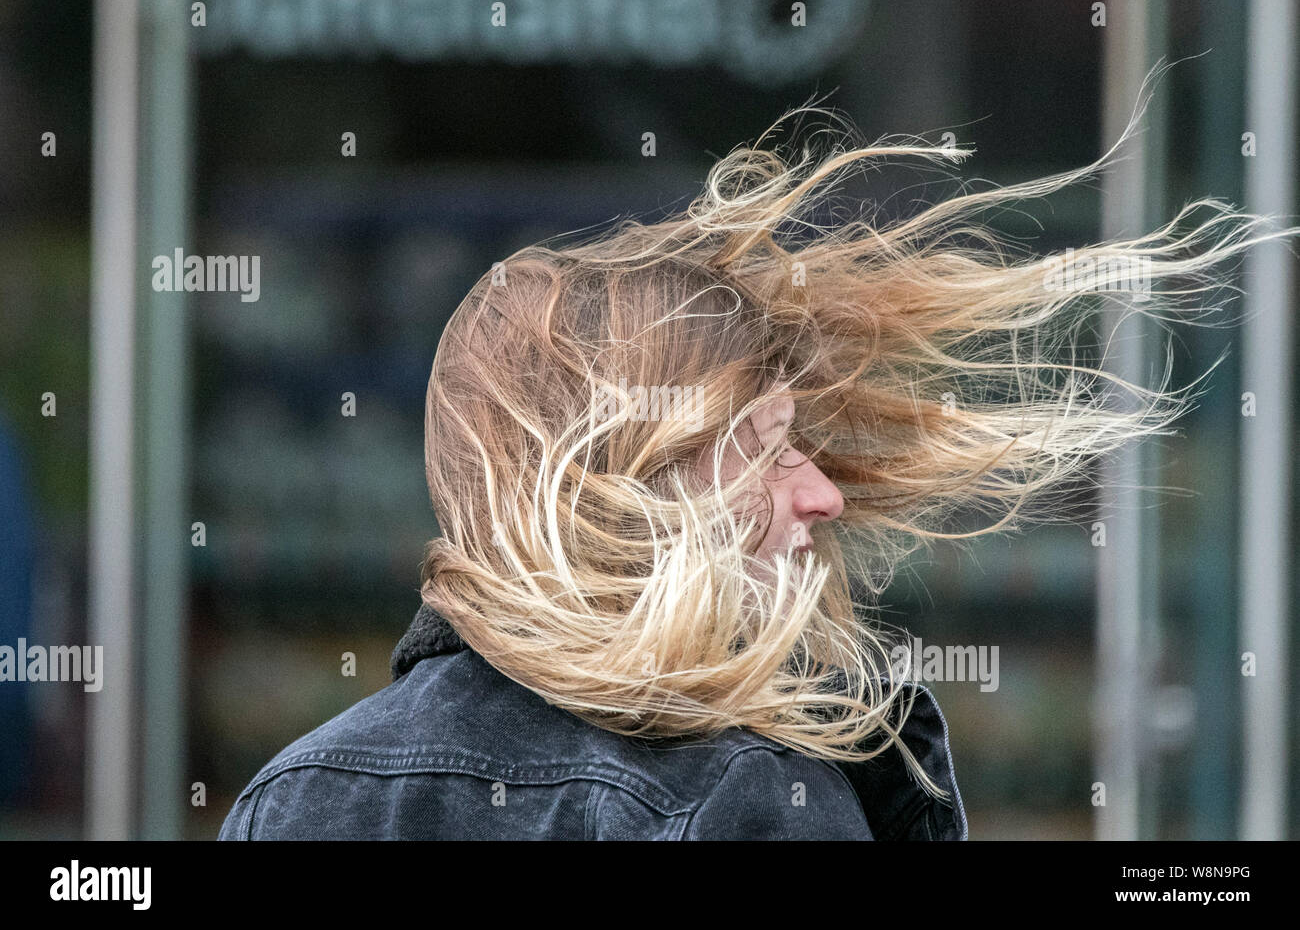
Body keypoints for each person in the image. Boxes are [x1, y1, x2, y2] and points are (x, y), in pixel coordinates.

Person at [219, 86, 1291, 840]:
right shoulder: (748, 794)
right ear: (626, 484)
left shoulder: (297, 792)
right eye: (768, 451)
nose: (820, 493)